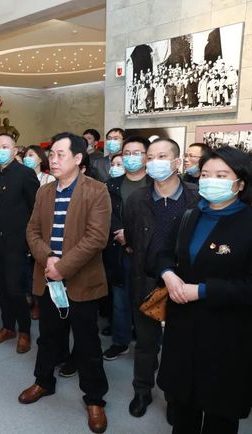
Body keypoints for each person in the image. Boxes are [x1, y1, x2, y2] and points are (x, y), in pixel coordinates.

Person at [157, 147, 252, 434]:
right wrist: (168, 274)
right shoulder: (190, 215)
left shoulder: (247, 222)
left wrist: (203, 291)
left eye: (221, 175)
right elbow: (162, 253)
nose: (211, 181)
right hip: (184, 327)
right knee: (183, 407)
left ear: (240, 183)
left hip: (227, 333)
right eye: (206, 174)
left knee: (219, 413)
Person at [21, 132, 111, 434]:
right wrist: (48, 258)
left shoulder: (96, 191)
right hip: (48, 277)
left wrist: (63, 267)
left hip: (82, 280)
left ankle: (95, 398)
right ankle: (43, 381)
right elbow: (32, 231)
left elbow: (96, 238)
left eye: (61, 154)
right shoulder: (44, 192)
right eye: (52, 154)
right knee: (48, 336)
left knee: (87, 342)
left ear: (78, 158)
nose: (54, 159)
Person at [123, 138, 199, 420]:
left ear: (177, 162)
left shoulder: (197, 198)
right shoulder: (136, 200)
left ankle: (174, 397)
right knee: (145, 344)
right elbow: (131, 239)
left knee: (180, 347)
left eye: (162, 156)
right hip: (147, 280)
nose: (155, 162)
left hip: (185, 286)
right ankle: (142, 391)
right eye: (151, 157)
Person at [0, 134, 39, 354]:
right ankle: (8, 327)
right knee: (0, 286)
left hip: (16, 242)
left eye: (5, 147)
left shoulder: (25, 174)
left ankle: (24, 331)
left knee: (15, 288)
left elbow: (36, 210)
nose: (0, 150)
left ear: (15, 150)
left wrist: (30, 241)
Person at [102, 137, 151, 362]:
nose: (131, 157)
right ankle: (120, 341)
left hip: (147, 252)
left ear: (146, 156)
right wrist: (121, 234)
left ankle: (147, 345)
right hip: (118, 248)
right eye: (127, 153)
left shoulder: (155, 183)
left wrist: (132, 237)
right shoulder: (112, 184)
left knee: (146, 300)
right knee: (120, 300)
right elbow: (107, 213)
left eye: (137, 153)